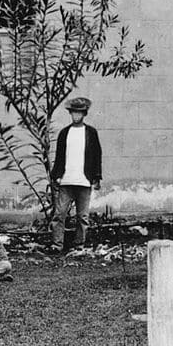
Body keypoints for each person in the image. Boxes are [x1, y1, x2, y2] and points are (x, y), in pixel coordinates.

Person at [51, 94, 104, 252]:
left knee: (82, 217)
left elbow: (97, 156)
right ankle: (57, 244)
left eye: (79, 113)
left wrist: (96, 177)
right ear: (70, 114)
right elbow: (59, 157)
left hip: (83, 180)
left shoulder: (91, 133)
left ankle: (79, 245)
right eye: (73, 112)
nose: (76, 115)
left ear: (84, 114)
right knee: (59, 214)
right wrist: (56, 176)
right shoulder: (64, 133)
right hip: (66, 181)